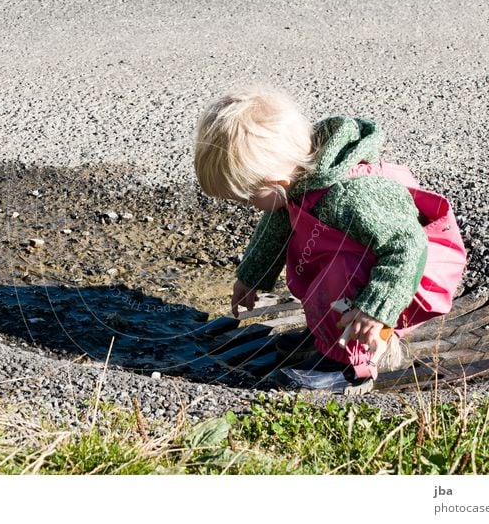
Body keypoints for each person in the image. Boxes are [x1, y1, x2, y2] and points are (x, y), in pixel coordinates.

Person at [193, 86, 466, 381]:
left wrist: (377, 309)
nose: (249, 206)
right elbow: (278, 224)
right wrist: (251, 276)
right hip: (374, 269)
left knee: (341, 272)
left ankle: (362, 357)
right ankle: (328, 339)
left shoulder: (352, 196)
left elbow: (409, 245)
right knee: (327, 272)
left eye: (248, 198)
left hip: (409, 277)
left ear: (275, 181)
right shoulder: (298, 180)